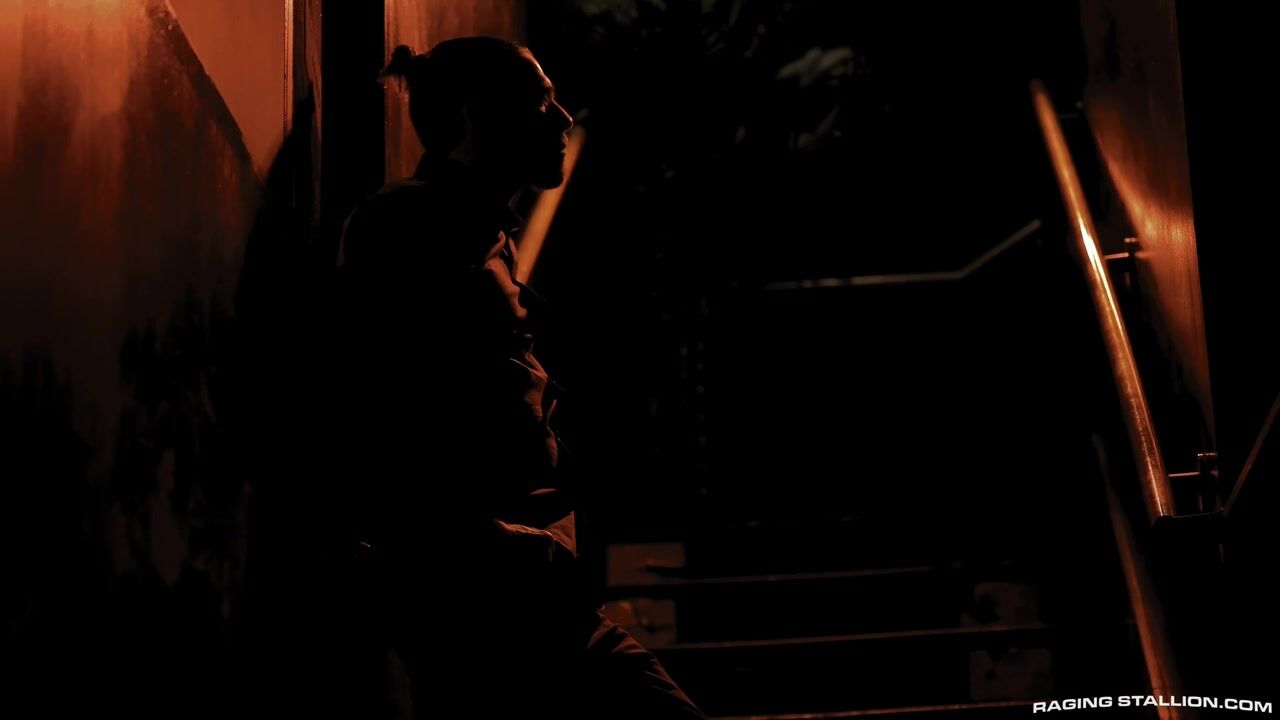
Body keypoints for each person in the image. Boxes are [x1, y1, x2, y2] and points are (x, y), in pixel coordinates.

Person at [333, 37, 706, 718]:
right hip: (481, 598)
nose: (562, 118)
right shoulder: (406, 228)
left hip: (531, 594)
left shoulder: (485, 239)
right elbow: (374, 409)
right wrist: (491, 543)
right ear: (475, 114)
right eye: (541, 101)